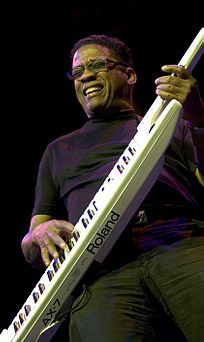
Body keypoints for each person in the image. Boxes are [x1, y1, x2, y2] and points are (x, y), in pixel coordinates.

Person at [21, 35, 204, 342]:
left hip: (178, 243)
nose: (86, 76)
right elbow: (31, 244)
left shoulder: (168, 123)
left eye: (97, 65)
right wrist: (40, 233)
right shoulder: (58, 150)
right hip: (100, 274)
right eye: (78, 72)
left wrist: (198, 119)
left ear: (129, 75)